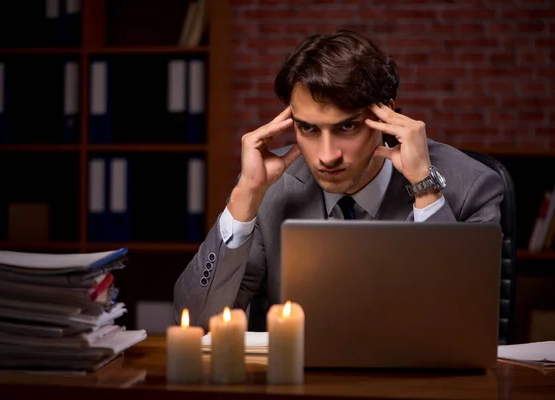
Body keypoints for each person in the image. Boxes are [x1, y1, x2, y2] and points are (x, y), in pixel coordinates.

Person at [173, 30, 505, 331]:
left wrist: (425, 189)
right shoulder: (272, 189)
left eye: (346, 127)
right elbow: (196, 323)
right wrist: (244, 198)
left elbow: (466, 326)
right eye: (308, 128)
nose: (326, 155)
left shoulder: (472, 186)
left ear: (384, 116)